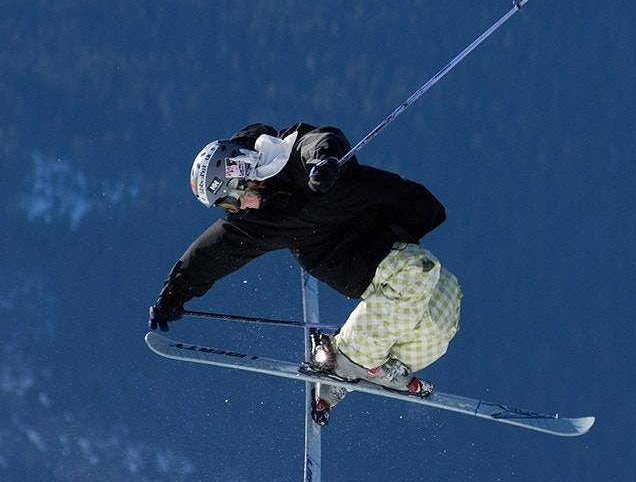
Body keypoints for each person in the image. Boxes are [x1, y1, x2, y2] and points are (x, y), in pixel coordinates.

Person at [149, 123, 462, 425]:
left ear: (242, 172)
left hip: (383, 235)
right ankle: (348, 357)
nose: (239, 208)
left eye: (233, 199)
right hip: (354, 261)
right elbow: (212, 252)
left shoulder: (292, 154)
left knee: (445, 303)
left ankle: (370, 365)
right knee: (420, 270)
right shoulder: (256, 221)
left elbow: (321, 140)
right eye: (230, 208)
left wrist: (325, 163)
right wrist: (174, 292)